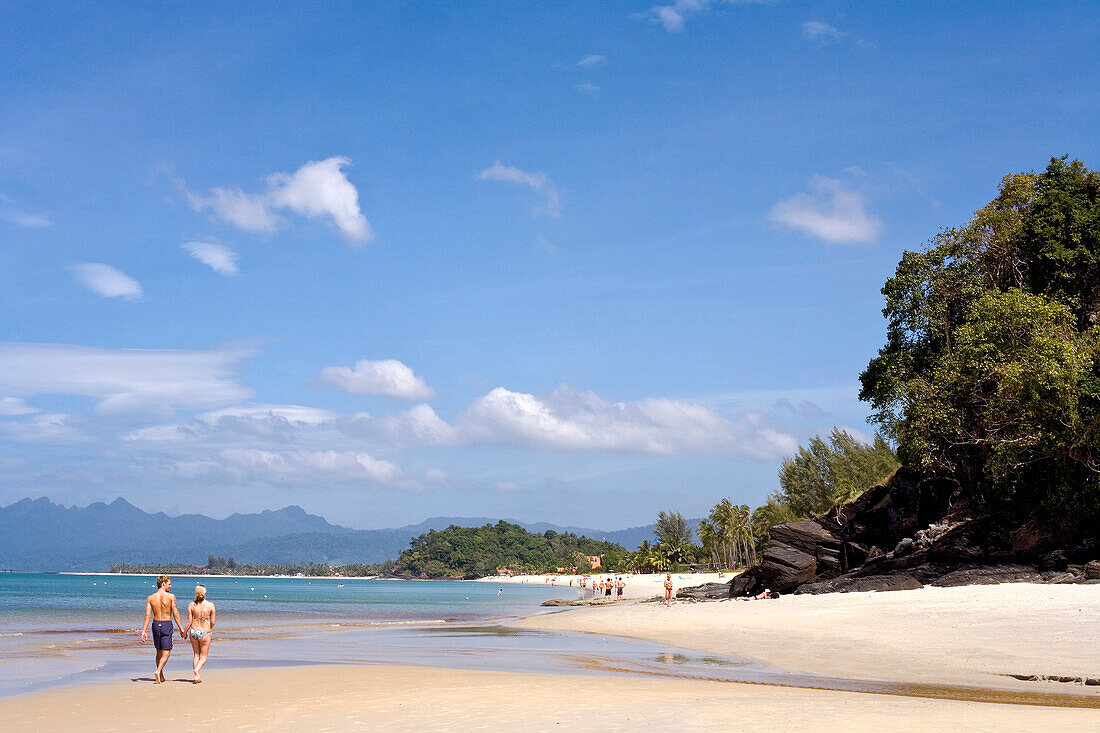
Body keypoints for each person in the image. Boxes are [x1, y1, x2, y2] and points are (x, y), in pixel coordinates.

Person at [140, 575, 185, 684]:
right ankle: (158, 671)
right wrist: (181, 628)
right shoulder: (171, 597)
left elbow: (147, 615)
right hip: (166, 624)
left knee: (158, 651)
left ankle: (161, 675)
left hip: (155, 625)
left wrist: (144, 631)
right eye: (169, 584)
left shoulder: (150, 598)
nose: (171, 586)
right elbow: (175, 613)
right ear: (163, 584)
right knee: (166, 651)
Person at [182, 583, 216, 683]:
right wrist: (209, 628)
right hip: (205, 632)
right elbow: (213, 621)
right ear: (205, 593)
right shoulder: (210, 605)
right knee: (204, 656)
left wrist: (185, 632)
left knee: (196, 654)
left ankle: (196, 676)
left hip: (193, 631)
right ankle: (197, 670)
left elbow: (189, 621)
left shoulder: (191, 605)